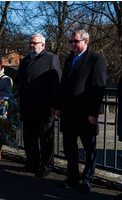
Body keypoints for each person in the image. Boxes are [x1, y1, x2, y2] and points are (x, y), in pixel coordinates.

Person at [55, 30, 106, 193]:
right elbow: (63, 85)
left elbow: (98, 88)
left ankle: (88, 180)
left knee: (89, 149)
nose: (72, 45)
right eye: (70, 42)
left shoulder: (96, 59)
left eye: (75, 42)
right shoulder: (70, 59)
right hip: (69, 112)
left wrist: (93, 113)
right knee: (69, 147)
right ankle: (73, 178)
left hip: (85, 114)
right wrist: (58, 106)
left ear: (86, 42)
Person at [14, 33, 61, 177]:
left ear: (42, 45)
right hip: (27, 106)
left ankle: (46, 166)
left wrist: (55, 105)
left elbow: (56, 84)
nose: (31, 45)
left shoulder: (51, 58)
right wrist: (15, 94)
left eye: (34, 43)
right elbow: (19, 82)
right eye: (29, 43)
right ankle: (32, 162)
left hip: (44, 107)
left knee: (46, 139)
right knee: (29, 137)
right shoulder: (25, 61)